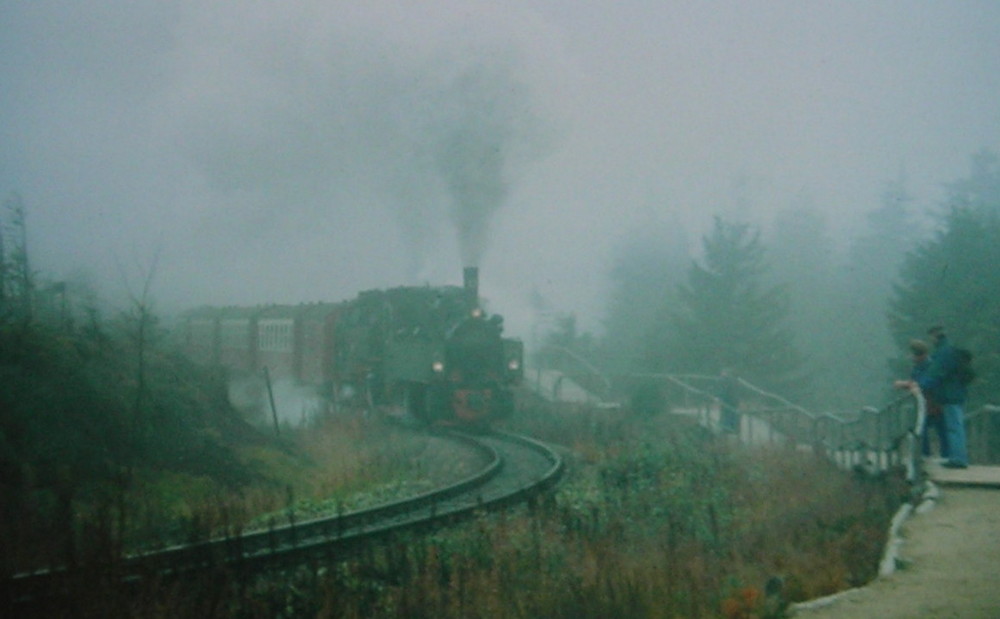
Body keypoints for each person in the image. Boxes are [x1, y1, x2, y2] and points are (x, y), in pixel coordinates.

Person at [915, 326, 969, 469]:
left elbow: (936, 374)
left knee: (954, 427)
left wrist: (920, 386)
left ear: (935, 336)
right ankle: (957, 456)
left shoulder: (943, 353)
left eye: (931, 336)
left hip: (950, 395)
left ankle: (958, 458)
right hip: (956, 393)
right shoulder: (950, 350)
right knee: (955, 425)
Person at [895, 339, 949, 459]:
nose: (913, 357)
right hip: (924, 404)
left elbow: (926, 382)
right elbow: (916, 382)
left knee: (941, 430)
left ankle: (945, 455)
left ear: (922, 354)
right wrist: (908, 384)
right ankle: (925, 454)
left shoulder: (930, 366)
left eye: (915, 354)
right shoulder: (919, 366)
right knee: (922, 428)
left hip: (934, 403)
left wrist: (907, 384)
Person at [718, 369, 741, 434]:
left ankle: (726, 428)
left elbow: (724, 391)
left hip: (728, 399)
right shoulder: (734, 379)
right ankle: (734, 429)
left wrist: (720, 398)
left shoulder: (725, 380)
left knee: (727, 413)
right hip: (734, 399)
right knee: (732, 414)